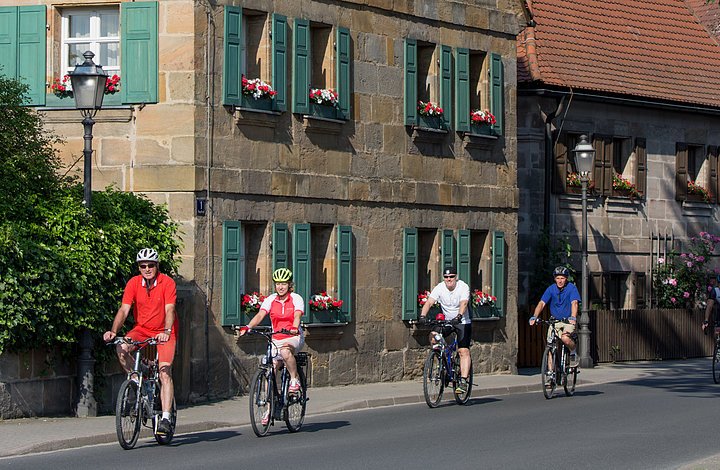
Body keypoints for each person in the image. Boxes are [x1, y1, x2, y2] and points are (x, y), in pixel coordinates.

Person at [103, 248, 177, 435]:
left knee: (164, 372)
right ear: (139, 267)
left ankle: (166, 419)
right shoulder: (133, 283)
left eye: (150, 265)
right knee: (121, 347)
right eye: (143, 266)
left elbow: (170, 310)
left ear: (157, 266)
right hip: (142, 330)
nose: (147, 269)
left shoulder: (167, 283)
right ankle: (137, 380)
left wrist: (166, 331)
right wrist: (113, 331)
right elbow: (124, 310)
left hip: (164, 332)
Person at [238, 267, 305, 425]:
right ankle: (269, 408)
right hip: (276, 337)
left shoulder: (296, 298)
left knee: (285, 352)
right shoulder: (271, 299)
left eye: (284, 284)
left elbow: (297, 315)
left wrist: (295, 327)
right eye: (278, 284)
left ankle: (294, 380)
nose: (280, 287)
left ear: (289, 285)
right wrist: (248, 327)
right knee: (270, 368)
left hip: (293, 336)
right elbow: (261, 315)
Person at [419, 266, 472, 395]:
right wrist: (422, 316)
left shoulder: (463, 287)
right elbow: (429, 302)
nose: (449, 279)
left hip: (462, 322)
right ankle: (440, 356)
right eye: (446, 277)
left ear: (456, 277)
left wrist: (459, 316)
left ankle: (463, 381)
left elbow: (464, 303)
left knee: (463, 351)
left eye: (451, 277)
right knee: (433, 335)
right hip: (447, 321)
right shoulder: (439, 287)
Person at [529, 266, 581, 370]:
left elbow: (574, 303)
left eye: (562, 278)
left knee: (565, 338)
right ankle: (550, 375)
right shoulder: (551, 289)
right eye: (558, 278)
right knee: (550, 345)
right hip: (555, 321)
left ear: (566, 278)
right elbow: (542, 303)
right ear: (554, 279)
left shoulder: (571, 288)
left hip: (567, 321)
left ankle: (573, 352)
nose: (560, 281)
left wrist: (573, 317)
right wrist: (534, 316)